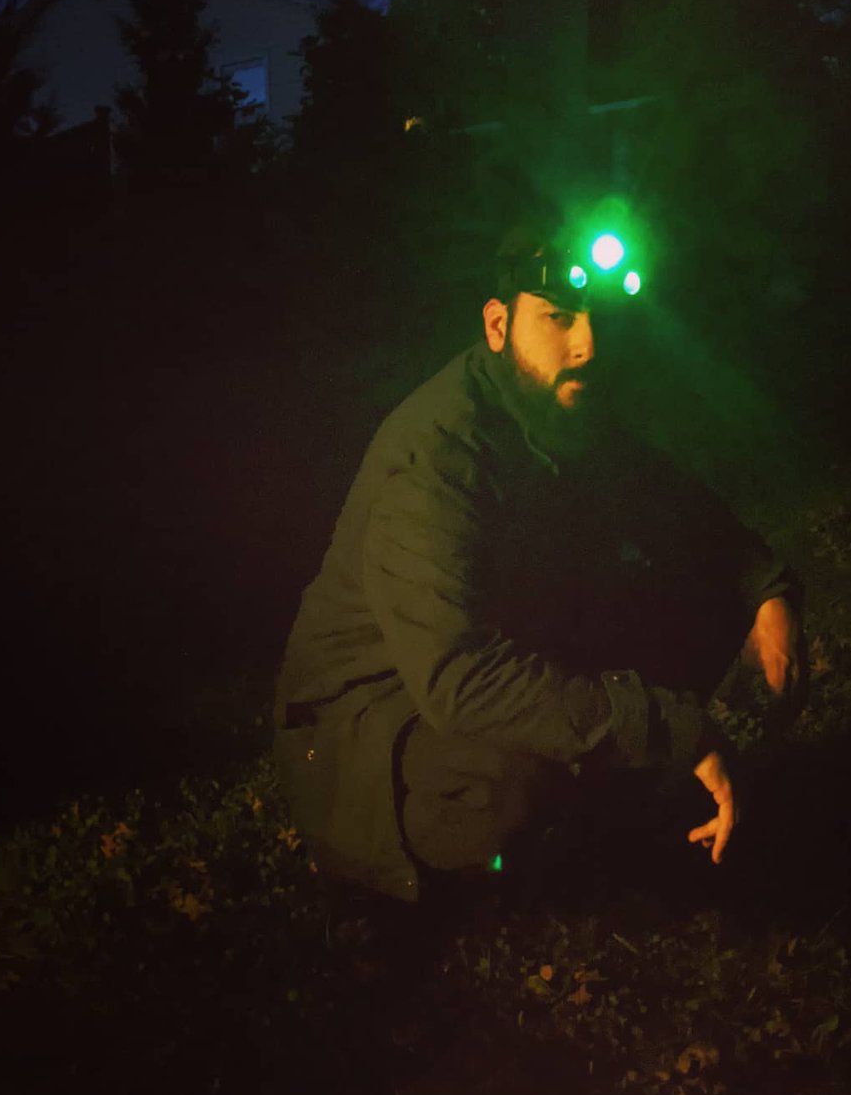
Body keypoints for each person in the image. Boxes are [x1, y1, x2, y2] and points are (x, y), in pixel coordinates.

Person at [272, 221, 803, 903]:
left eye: (598, 318)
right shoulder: (439, 455)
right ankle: (535, 858)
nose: (588, 344)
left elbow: (679, 511)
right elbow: (459, 677)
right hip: (368, 728)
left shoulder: (561, 407)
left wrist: (766, 594)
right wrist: (671, 730)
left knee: (699, 596)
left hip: (490, 658)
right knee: (516, 775)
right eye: (558, 318)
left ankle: (629, 808)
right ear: (497, 324)